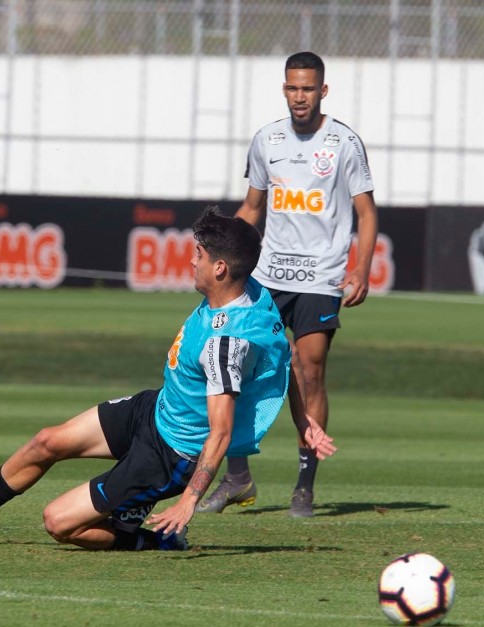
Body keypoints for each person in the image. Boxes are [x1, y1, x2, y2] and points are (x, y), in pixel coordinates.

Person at [0, 207, 337, 550]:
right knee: (47, 441)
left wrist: (188, 500)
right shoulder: (254, 292)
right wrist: (303, 422)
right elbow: (291, 357)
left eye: (199, 255)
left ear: (221, 268)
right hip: (156, 409)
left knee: (58, 523)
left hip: (170, 457)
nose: (192, 260)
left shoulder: (226, 342)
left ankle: (156, 539)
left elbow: (221, 433)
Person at [195, 51, 377, 518]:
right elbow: (253, 208)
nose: (300, 97)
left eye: (308, 89)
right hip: (266, 274)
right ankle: (237, 479)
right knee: (235, 365)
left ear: (323, 91)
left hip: (321, 274)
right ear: (285, 89)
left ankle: (304, 484)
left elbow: (366, 213)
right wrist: (224, 256)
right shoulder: (267, 140)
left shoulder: (343, 143)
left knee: (309, 369)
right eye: (293, 88)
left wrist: (361, 267)